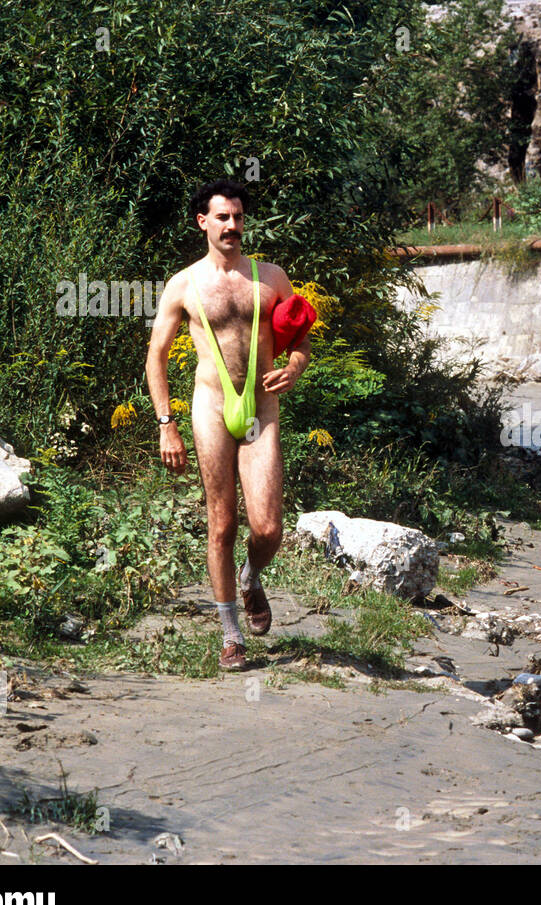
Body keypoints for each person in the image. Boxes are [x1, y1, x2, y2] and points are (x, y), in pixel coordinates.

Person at [146, 180, 311, 670]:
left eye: (238, 217)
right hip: (211, 409)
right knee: (222, 523)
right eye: (223, 217)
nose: (233, 226)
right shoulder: (183, 285)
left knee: (269, 527)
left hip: (261, 410)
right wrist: (165, 424)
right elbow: (155, 357)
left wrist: (296, 365)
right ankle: (230, 634)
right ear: (203, 222)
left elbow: (301, 338)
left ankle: (250, 575)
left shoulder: (271, 278)